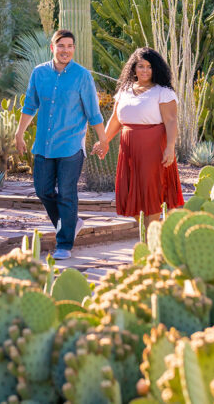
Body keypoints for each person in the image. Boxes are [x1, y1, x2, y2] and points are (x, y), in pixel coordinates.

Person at [14, 29, 106, 260]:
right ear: (52, 47)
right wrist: (19, 133)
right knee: (43, 190)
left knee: (66, 193)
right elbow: (29, 105)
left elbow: (93, 113)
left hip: (71, 145)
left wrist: (103, 139)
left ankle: (64, 243)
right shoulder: (39, 73)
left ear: (74, 49)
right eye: (61, 45)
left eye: (70, 46)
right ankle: (71, 222)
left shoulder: (82, 76)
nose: (66, 50)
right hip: (44, 145)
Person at [92, 47, 183, 228]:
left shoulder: (162, 92)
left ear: (156, 69)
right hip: (128, 148)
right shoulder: (125, 90)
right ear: (134, 67)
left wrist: (170, 147)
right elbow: (116, 119)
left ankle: (151, 235)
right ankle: (151, 232)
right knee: (127, 193)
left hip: (153, 146)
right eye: (141, 66)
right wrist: (104, 141)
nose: (145, 71)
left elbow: (171, 121)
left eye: (149, 67)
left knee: (151, 192)